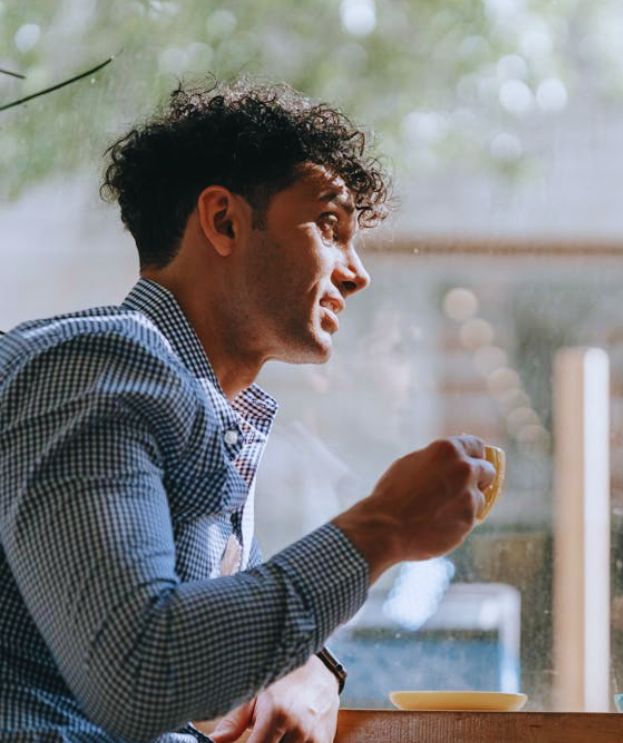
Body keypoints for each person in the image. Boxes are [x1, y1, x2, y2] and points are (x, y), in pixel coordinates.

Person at [0, 80, 497, 742]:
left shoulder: (204, 413)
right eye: (329, 227)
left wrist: (309, 664)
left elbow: (216, 636)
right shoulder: (102, 368)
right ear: (224, 221)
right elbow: (139, 671)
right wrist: (382, 527)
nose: (357, 273)